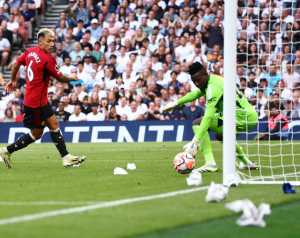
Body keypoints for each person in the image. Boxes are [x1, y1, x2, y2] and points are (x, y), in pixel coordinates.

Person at [0, 28, 86, 169]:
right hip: (37, 103)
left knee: (51, 126)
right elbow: (60, 77)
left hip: (34, 100)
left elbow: (16, 64)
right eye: (49, 40)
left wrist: (13, 80)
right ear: (40, 41)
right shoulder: (47, 59)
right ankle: (6, 151)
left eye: (53, 40)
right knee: (39, 132)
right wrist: (73, 77)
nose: (52, 43)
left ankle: (66, 157)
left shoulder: (30, 52)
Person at [163, 62, 258, 172]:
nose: (197, 84)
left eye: (198, 80)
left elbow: (208, 116)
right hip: (245, 115)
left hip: (242, 117)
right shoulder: (211, 80)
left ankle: (210, 163)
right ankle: (246, 162)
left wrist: (196, 141)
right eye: (194, 82)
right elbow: (195, 94)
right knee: (221, 135)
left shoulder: (213, 88)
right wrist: (176, 103)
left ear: (205, 74)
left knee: (198, 123)